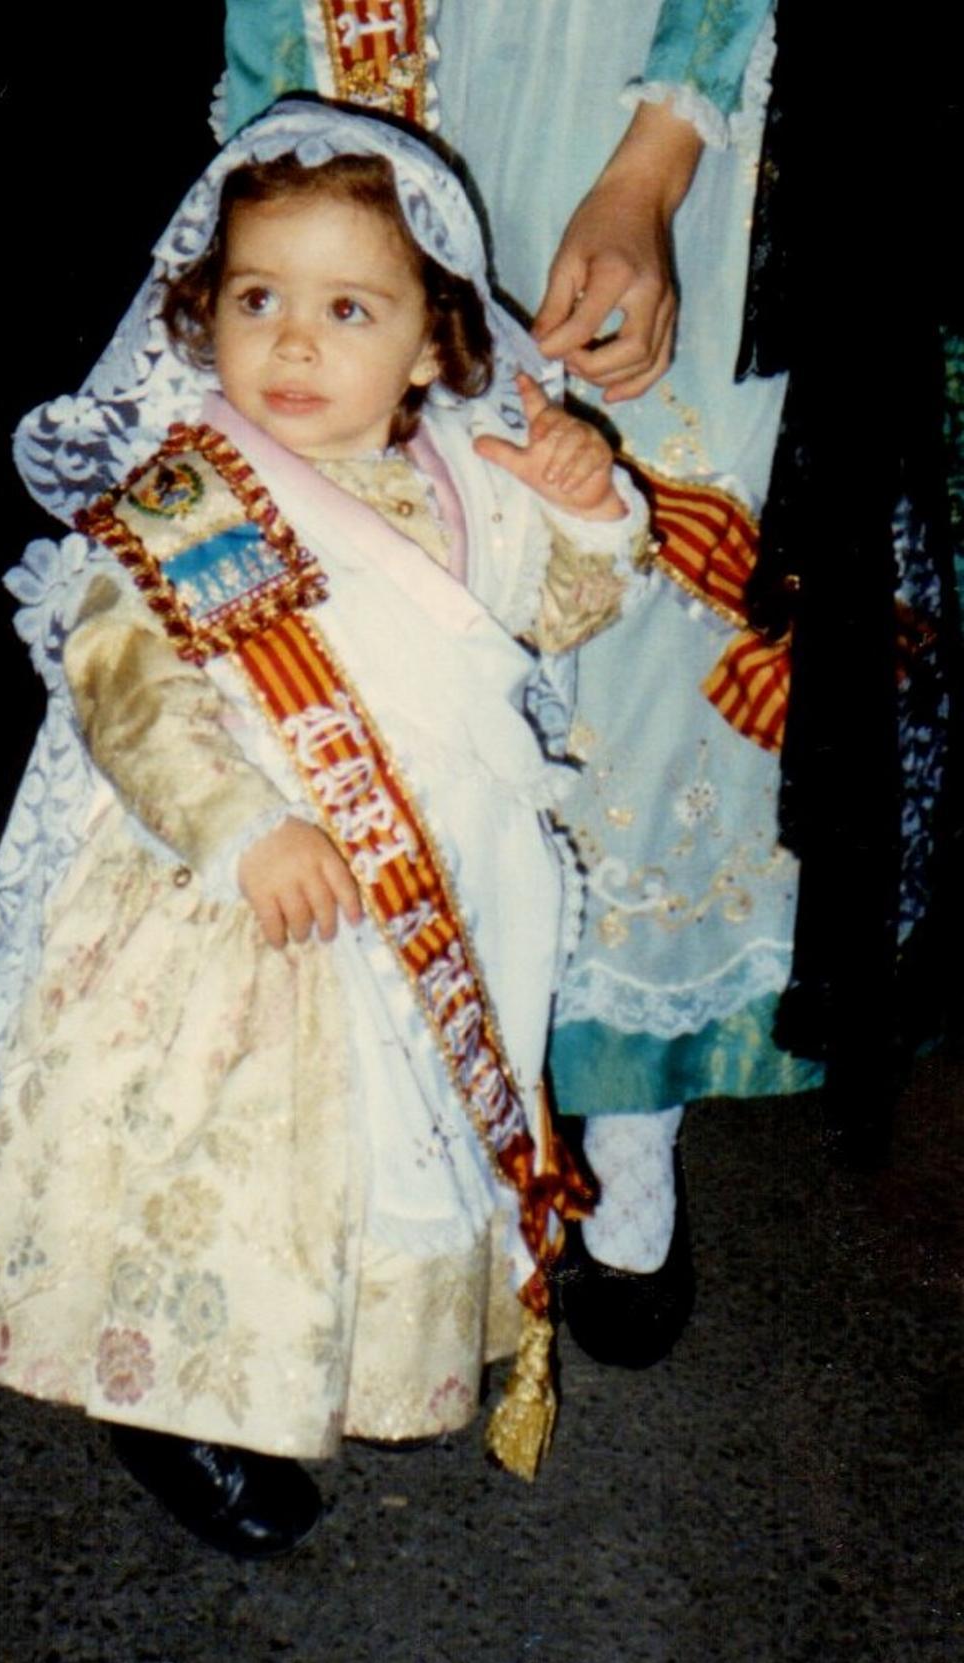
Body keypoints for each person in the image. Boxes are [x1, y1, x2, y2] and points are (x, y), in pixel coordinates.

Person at [0, 100, 656, 1557]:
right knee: (228, 1167)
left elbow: (557, 613)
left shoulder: (468, 483)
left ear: (431, 344)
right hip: (237, 910)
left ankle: (325, 1364)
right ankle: (184, 1406)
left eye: (348, 308)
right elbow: (128, 689)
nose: (290, 343)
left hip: (428, 890)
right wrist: (240, 830)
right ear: (199, 314)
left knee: (371, 1162)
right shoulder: (176, 499)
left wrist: (588, 510)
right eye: (256, 299)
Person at [220, 0, 819, 1365]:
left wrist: (653, 165)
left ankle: (630, 1130)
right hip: (413, 99)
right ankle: (464, 1111)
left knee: (656, 613)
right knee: (437, 601)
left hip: (660, 101)